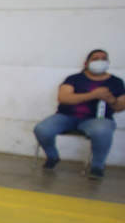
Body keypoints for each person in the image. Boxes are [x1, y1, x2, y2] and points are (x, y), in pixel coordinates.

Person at [33, 49, 124, 180]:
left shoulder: (116, 82)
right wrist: (94, 95)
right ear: (86, 63)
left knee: (102, 131)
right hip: (66, 116)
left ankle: (97, 166)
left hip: (98, 119)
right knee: (42, 129)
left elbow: (120, 106)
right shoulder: (74, 79)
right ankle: (52, 157)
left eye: (103, 58)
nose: (100, 61)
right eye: (95, 58)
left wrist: (111, 100)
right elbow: (64, 98)